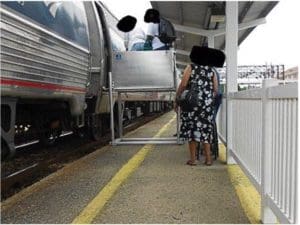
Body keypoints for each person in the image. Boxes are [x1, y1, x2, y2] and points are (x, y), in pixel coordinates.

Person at [175, 64, 218, 166]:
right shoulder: (212, 70)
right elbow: (216, 89)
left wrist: (177, 97)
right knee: (206, 129)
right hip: (206, 105)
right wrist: (207, 99)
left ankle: (193, 160)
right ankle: (208, 159)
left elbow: (184, 84)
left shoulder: (191, 67)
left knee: (192, 129)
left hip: (192, 103)